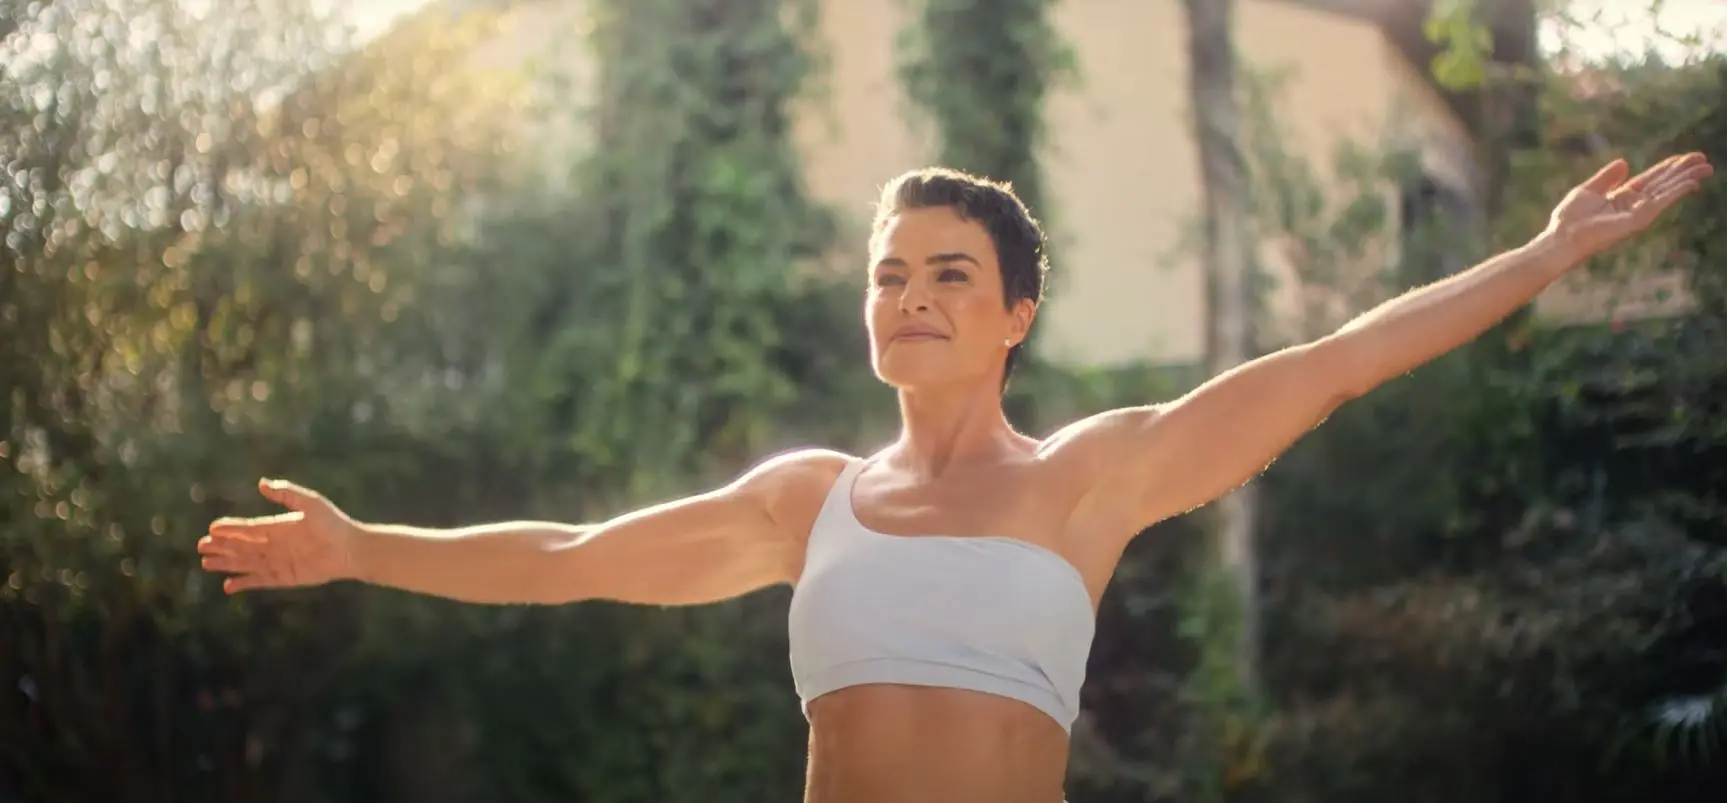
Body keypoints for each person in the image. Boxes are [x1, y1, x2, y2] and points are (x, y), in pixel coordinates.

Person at [199, 153, 1712, 803]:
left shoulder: (1090, 481)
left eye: (949, 272)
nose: (910, 294)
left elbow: (1332, 362)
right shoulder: (806, 500)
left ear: (1013, 313)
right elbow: (570, 552)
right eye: (888, 273)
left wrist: (1545, 253)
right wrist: (358, 547)